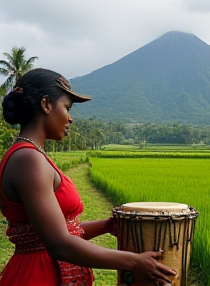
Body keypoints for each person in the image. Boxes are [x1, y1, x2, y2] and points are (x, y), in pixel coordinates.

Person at [0, 68, 176, 286]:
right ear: (46, 104)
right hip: (39, 276)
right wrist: (133, 262)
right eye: (67, 108)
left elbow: (59, 231)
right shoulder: (28, 159)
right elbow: (59, 244)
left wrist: (106, 225)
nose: (70, 118)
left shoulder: (32, 155)